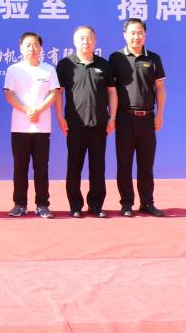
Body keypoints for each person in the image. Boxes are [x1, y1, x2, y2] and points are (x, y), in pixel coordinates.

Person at [56, 25, 117, 218]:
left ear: (95, 41)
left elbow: (112, 92)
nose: (86, 41)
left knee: (98, 168)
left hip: (99, 124)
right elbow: (58, 93)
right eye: (81, 38)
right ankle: (75, 205)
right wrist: (60, 117)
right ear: (74, 41)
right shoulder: (65, 64)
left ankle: (96, 205)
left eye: (89, 38)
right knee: (74, 167)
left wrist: (112, 117)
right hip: (74, 125)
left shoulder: (104, 64)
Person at [109, 18, 167, 218]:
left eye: (140, 32)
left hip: (147, 118)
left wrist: (159, 114)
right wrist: (112, 117)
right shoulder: (116, 58)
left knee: (146, 164)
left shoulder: (153, 58)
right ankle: (126, 203)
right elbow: (111, 90)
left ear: (145, 34)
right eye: (132, 33)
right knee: (124, 164)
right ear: (125, 35)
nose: (136, 36)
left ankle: (147, 202)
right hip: (124, 118)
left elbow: (160, 88)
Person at [3, 32, 59, 219]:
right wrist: (27, 110)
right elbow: (9, 94)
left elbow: (54, 93)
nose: (31, 48)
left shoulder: (48, 69)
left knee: (41, 167)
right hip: (20, 127)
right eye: (27, 45)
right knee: (20, 167)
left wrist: (39, 110)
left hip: (42, 127)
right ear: (21, 48)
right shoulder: (13, 69)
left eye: (35, 45)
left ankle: (42, 204)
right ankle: (19, 204)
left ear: (40, 48)